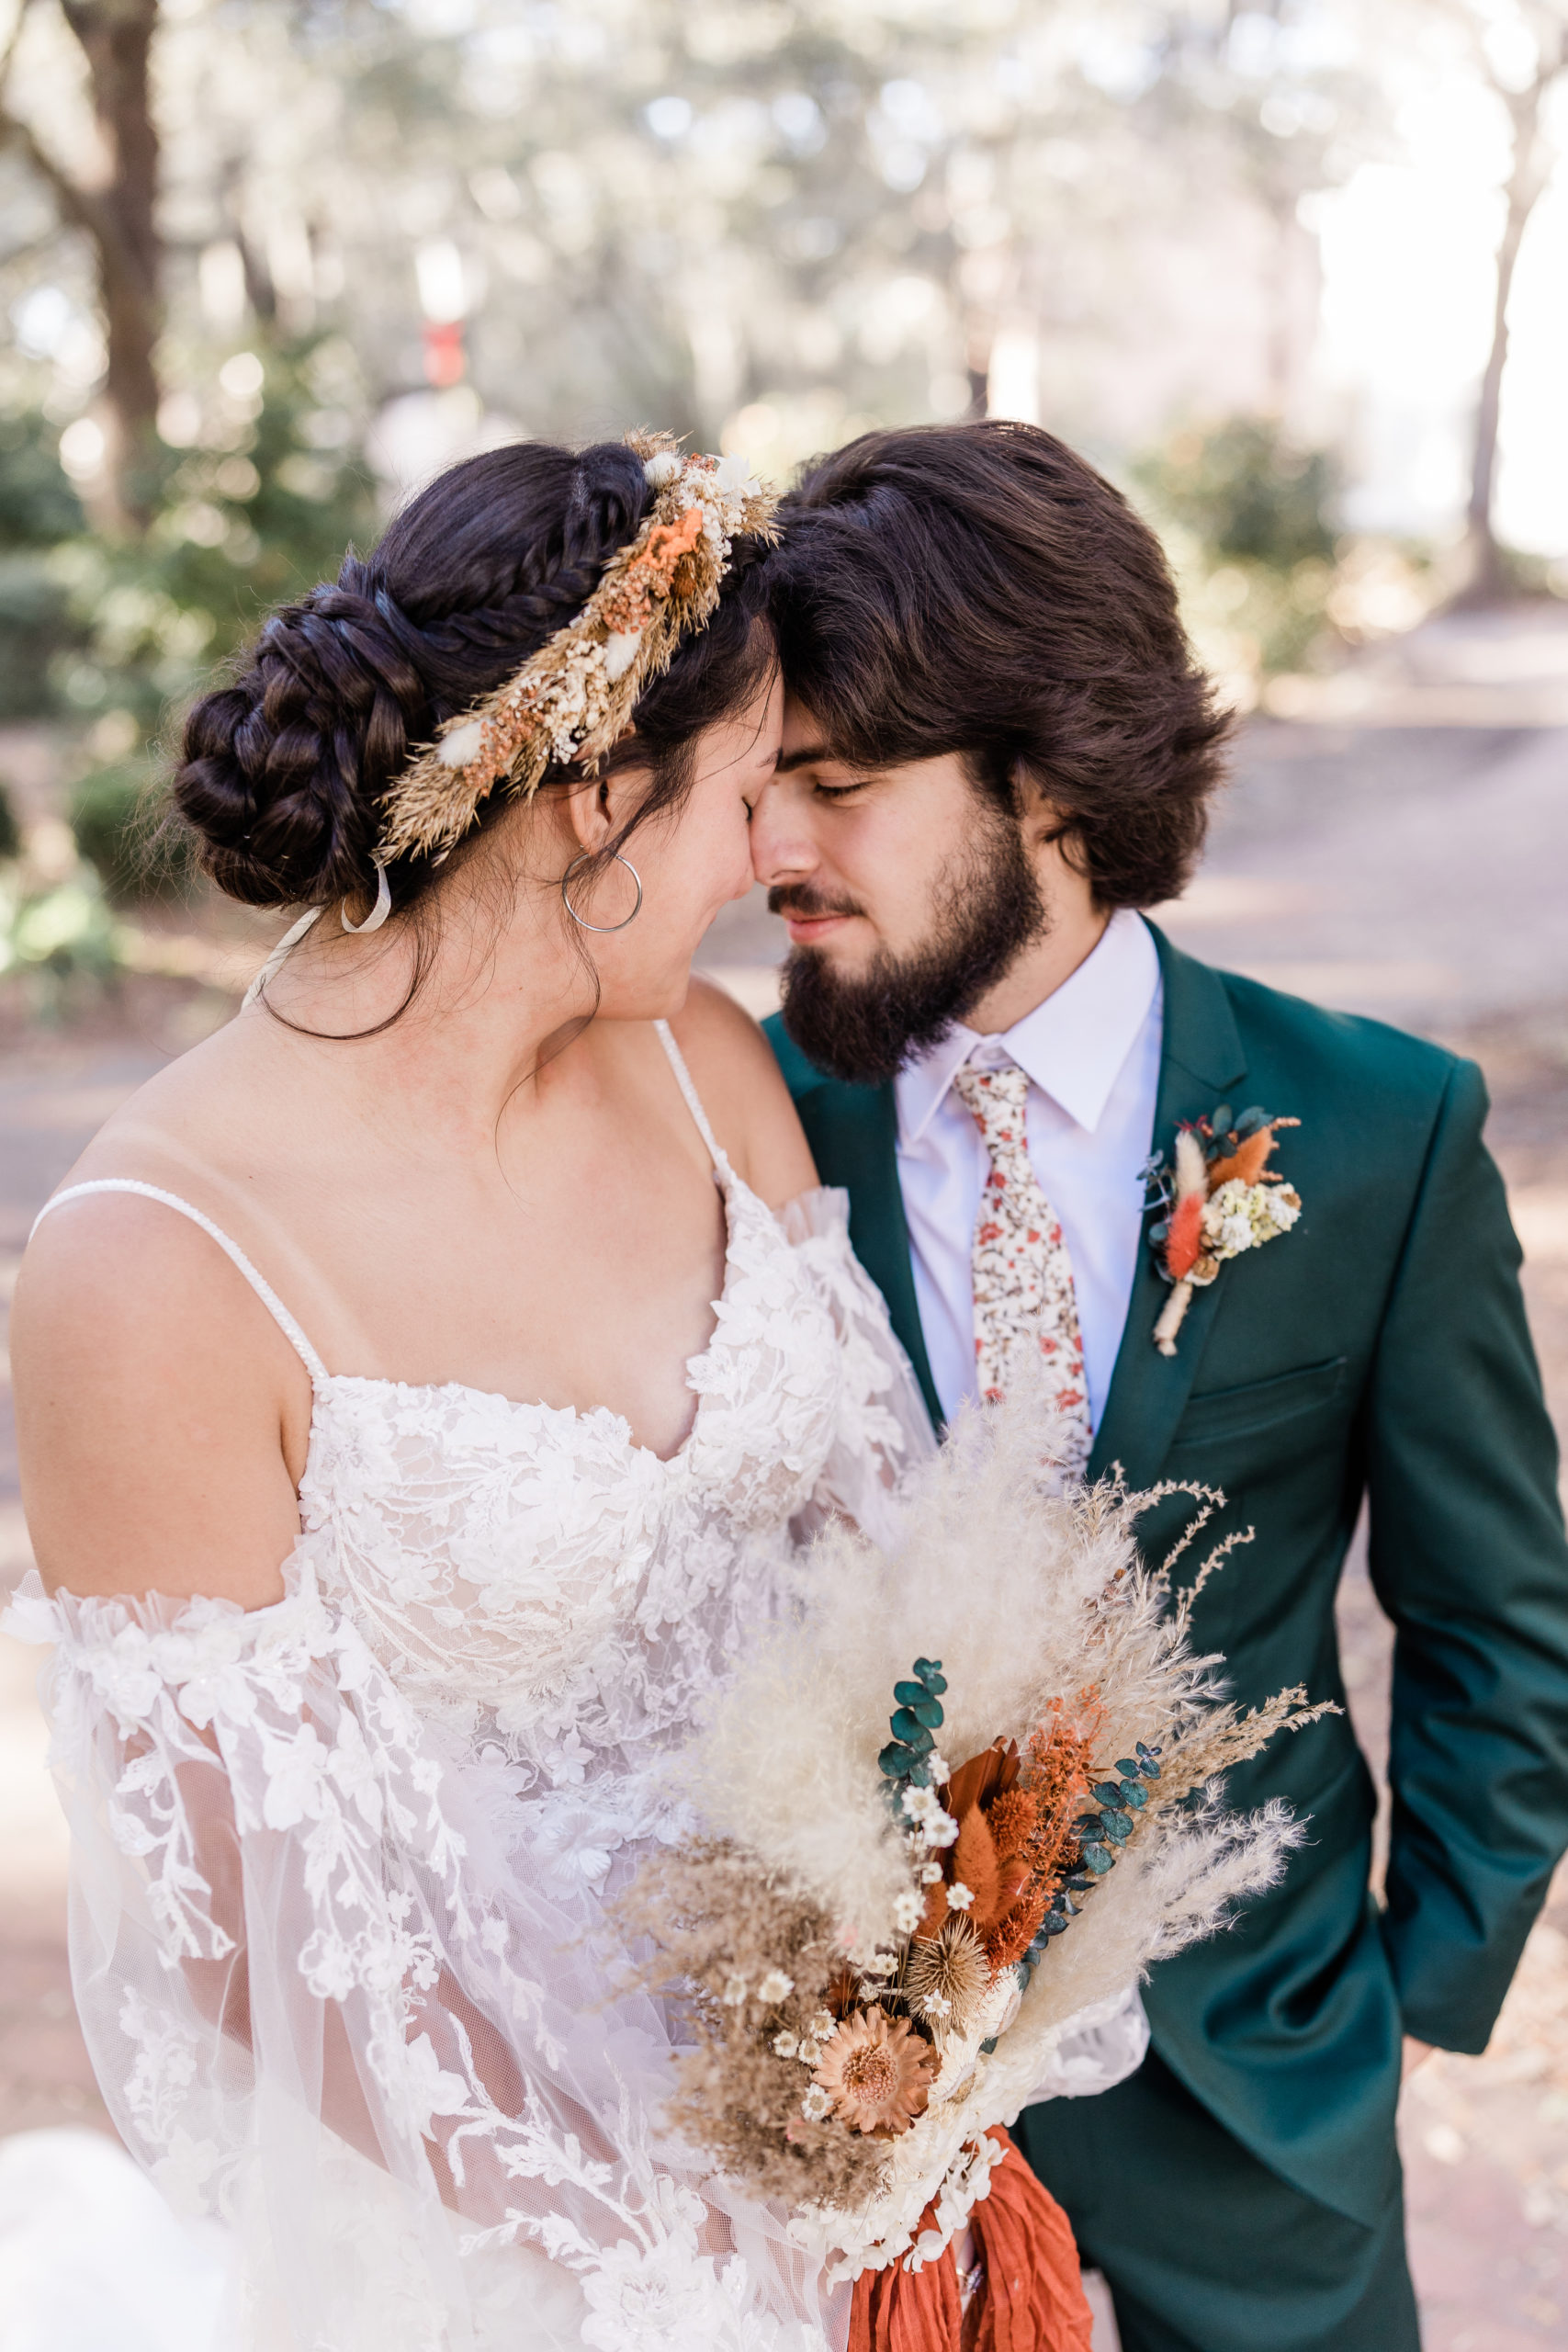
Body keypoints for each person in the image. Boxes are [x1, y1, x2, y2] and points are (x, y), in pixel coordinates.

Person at [8, 435, 963, 2352]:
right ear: (588, 793)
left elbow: (891, 1575)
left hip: (865, 2143)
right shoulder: (151, 1261)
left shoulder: (705, 1060)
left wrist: (914, 2040)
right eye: (748, 783)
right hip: (493, 2241)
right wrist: (651, 2256)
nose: (772, 850)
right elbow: (250, 1929)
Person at [751, 418, 1568, 2352]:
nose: (772, 850)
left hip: (1262, 2103)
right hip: (840, 2139)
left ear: (1039, 778)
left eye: (837, 786)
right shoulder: (743, 1131)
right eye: (761, 787)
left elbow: (1495, 1617)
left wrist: (1402, 2004)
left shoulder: (1377, 1129)